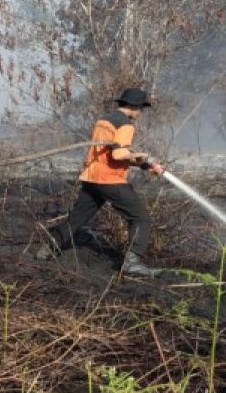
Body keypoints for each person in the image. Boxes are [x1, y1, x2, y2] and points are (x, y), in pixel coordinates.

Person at [35, 88, 165, 276]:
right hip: (110, 179)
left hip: (92, 176)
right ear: (134, 106)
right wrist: (142, 157)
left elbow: (108, 152)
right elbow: (118, 154)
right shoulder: (126, 125)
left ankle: (47, 248)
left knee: (77, 218)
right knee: (140, 218)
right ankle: (132, 262)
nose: (141, 112)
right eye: (141, 108)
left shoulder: (104, 120)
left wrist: (144, 165)